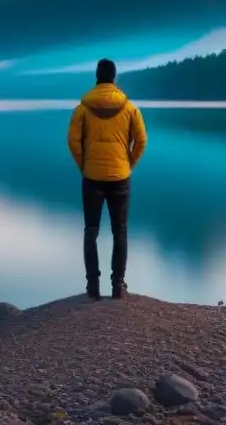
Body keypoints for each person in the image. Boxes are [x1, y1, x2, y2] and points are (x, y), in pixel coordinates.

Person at [67, 58, 147, 300]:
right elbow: (141, 140)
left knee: (91, 231)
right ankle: (117, 285)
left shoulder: (82, 108)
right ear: (114, 79)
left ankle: (93, 287)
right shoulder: (130, 108)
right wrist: (128, 164)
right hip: (120, 177)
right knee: (119, 231)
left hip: (92, 177)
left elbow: (72, 141)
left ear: (96, 77)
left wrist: (85, 165)